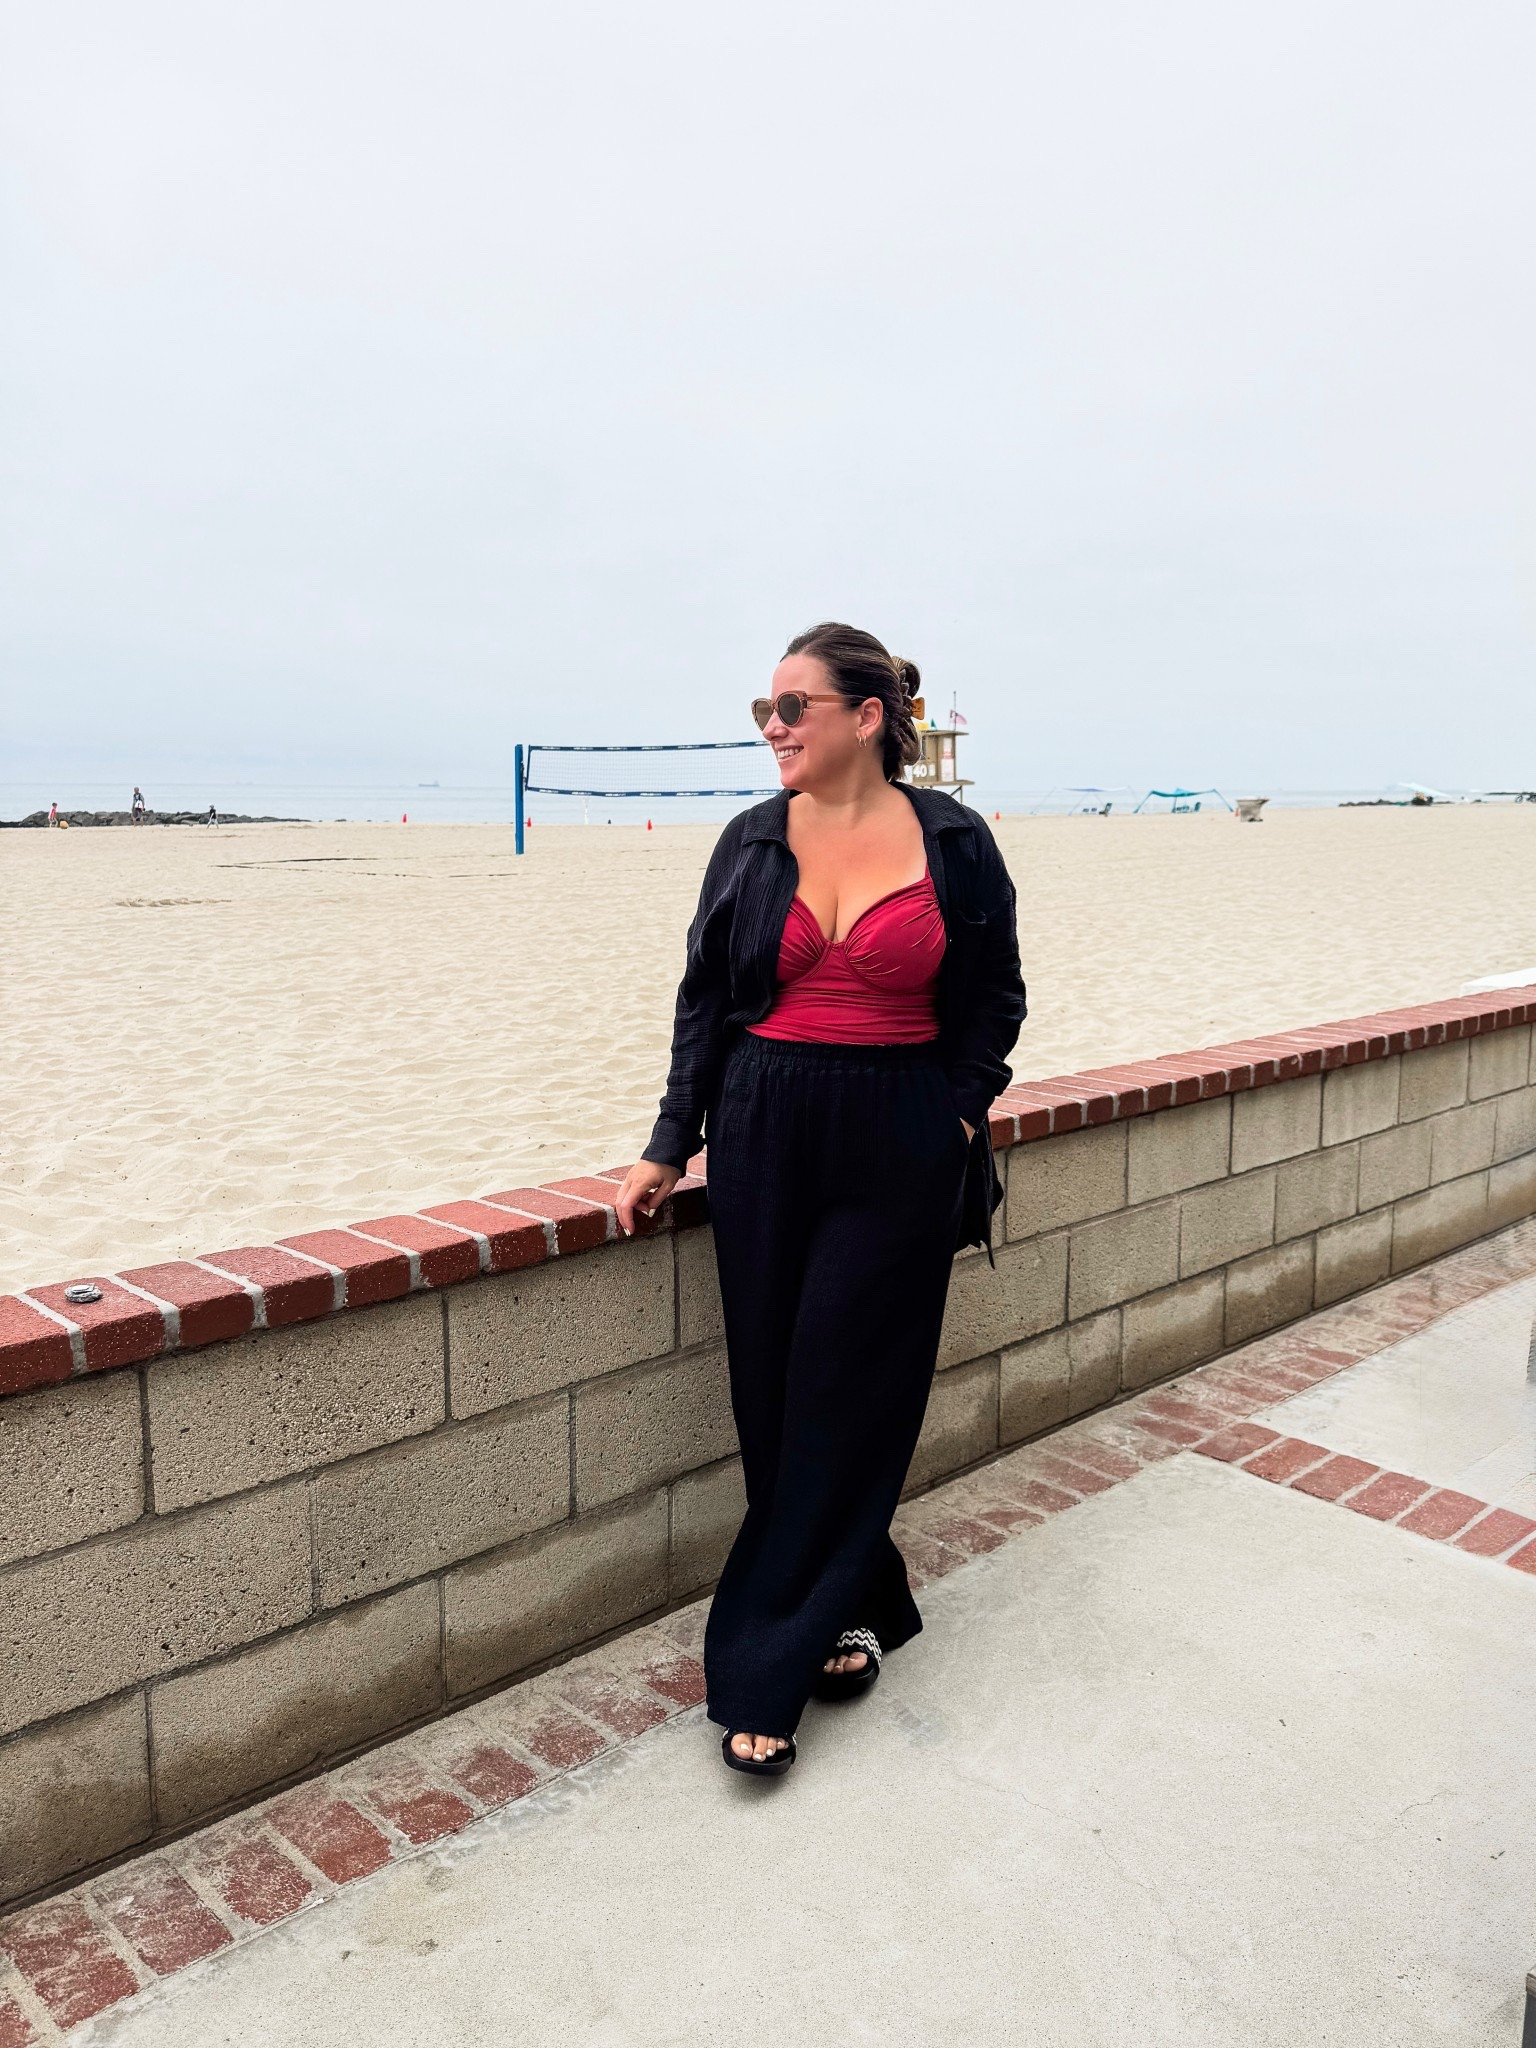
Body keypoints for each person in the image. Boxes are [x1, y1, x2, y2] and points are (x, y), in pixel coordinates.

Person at [616, 622, 1026, 1777]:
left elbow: (995, 995)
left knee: (851, 1384)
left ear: (866, 715)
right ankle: (856, 1596)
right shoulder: (750, 841)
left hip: (897, 1131)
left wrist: (951, 1108)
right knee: (773, 1385)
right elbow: (704, 1000)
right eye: (765, 709)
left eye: (794, 706)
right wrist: (667, 1143)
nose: (774, 727)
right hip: (763, 1131)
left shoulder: (954, 838)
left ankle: (762, 1666)